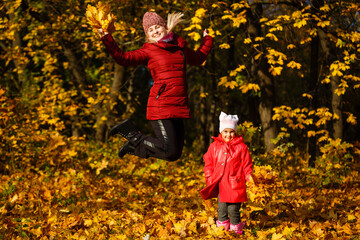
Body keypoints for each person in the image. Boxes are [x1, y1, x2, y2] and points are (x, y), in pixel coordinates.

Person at [98, 11, 213, 160]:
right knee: (169, 150)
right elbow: (123, 58)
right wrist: (106, 37)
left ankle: (134, 145)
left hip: (178, 106)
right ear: (147, 35)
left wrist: (207, 39)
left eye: (157, 27)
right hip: (161, 105)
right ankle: (131, 135)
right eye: (150, 30)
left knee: (174, 155)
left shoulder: (180, 48)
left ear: (165, 27)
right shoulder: (149, 51)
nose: (155, 32)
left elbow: (198, 58)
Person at [200, 112, 253, 235]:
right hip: (220, 185)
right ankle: (222, 232)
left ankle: (235, 233)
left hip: (236, 185)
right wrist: (208, 176)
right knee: (221, 210)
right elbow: (208, 162)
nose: (228, 135)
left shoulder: (241, 147)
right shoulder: (214, 147)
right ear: (221, 132)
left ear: (235, 132)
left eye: (231, 132)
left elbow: (246, 165)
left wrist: (249, 178)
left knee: (233, 210)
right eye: (225, 131)